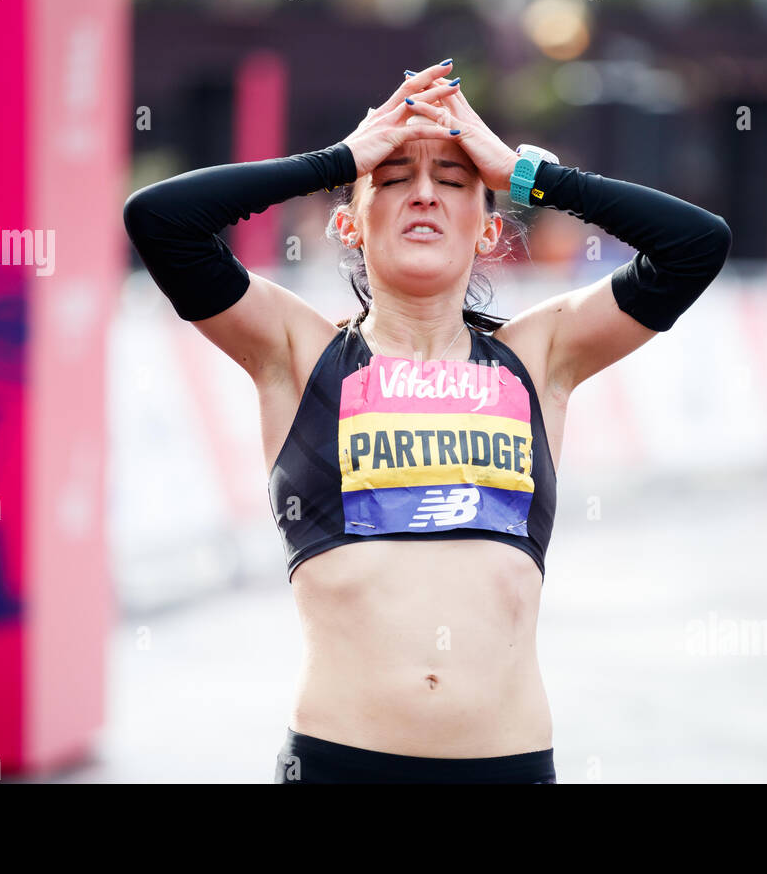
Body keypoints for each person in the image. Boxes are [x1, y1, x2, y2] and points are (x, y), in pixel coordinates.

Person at [123, 59, 732, 784]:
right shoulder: (298, 351)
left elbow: (696, 246)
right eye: (391, 178)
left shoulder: (539, 357)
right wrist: (340, 159)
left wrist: (526, 172)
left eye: (451, 181)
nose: (423, 196)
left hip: (508, 766)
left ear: (485, 228)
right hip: (340, 765)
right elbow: (160, 221)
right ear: (348, 221)